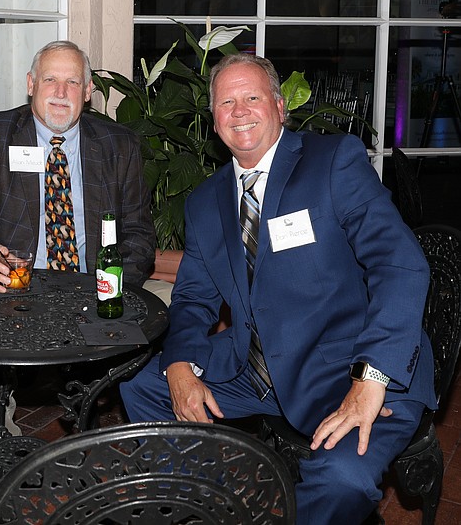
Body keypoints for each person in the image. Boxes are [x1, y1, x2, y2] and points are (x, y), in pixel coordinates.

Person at [119, 53, 436, 525]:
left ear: (280, 107)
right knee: (142, 384)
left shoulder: (333, 161)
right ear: (214, 120)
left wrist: (372, 378)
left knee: (343, 478)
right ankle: (214, 505)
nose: (240, 110)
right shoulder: (206, 202)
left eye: (252, 97)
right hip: (256, 363)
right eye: (227, 102)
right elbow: (192, 297)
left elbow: (400, 264)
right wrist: (181, 366)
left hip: (348, 364)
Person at [0, 40, 155, 434]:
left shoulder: (119, 145)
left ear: (88, 93)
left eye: (72, 82)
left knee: (165, 327)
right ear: (31, 84)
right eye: (50, 79)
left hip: (92, 287)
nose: (60, 92)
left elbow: (138, 233)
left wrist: (110, 286)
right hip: (12, 290)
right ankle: (8, 460)